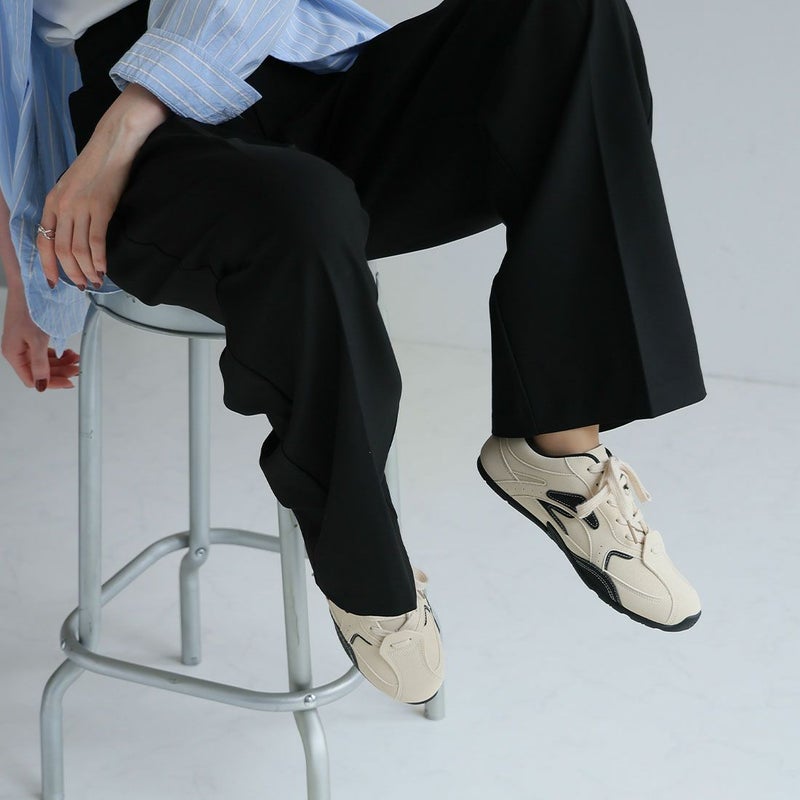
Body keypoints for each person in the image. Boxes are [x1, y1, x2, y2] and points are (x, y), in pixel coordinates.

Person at [1, 0, 708, 705]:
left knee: (567, 15)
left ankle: (556, 452)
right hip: (112, 136)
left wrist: (136, 112)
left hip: (286, 60)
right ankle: (365, 570)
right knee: (303, 208)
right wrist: (22, 284)